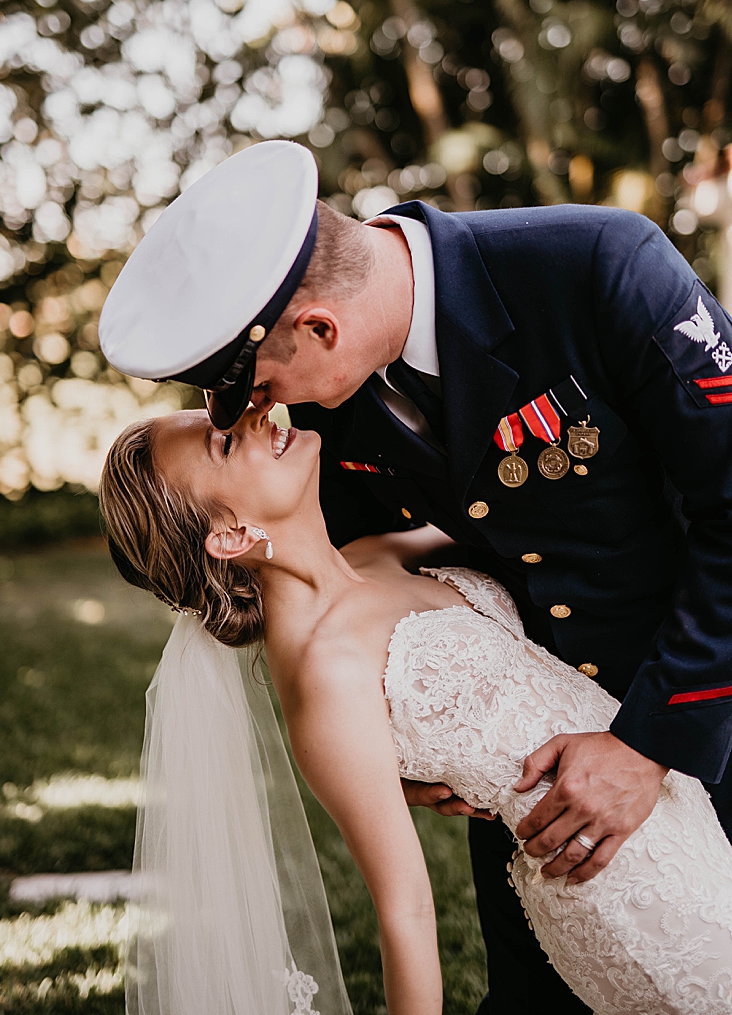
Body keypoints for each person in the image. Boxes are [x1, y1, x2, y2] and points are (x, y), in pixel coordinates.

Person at [98, 139, 732, 1011]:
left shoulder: (596, 266)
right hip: (531, 827)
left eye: (255, 386)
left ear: (320, 327)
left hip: (703, 726)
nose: (264, 410)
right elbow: (331, 598)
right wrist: (397, 752)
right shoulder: (325, 412)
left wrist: (648, 743)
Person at [97, 404, 732, 1015]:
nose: (253, 415)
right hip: (625, 887)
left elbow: (521, 525)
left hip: (672, 809)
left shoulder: (377, 556)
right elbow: (406, 913)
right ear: (230, 534)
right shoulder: (327, 671)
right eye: (225, 441)